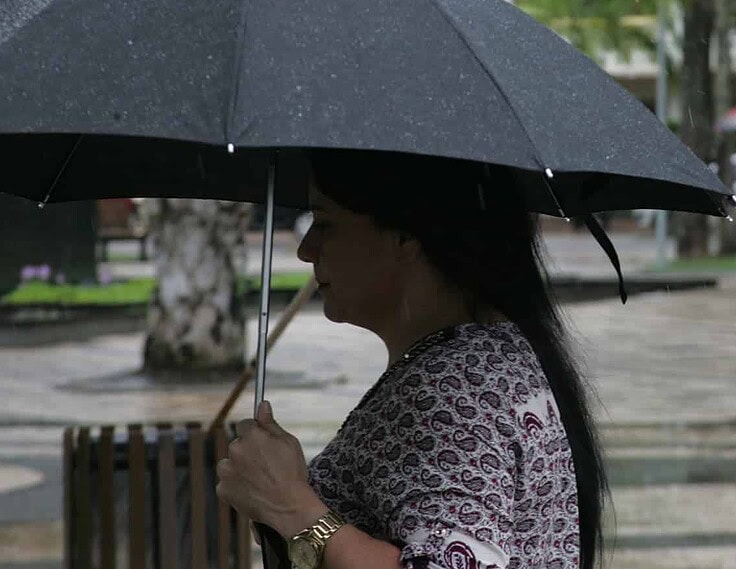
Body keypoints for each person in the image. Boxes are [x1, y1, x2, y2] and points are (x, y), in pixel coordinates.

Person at [216, 150, 608, 569]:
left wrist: (290, 504)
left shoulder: (457, 390)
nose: (306, 249)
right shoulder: (483, 360)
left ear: (405, 236)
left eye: (325, 223)